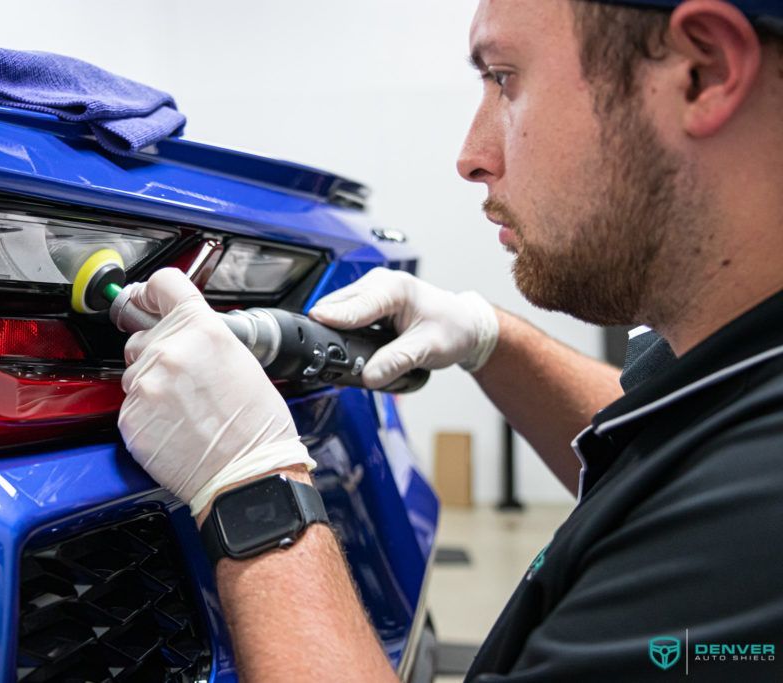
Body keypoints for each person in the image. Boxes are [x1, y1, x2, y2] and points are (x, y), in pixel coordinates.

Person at [116, 0, 783, 680]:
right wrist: (489, 340)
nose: (471, 157)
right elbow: (667, 455)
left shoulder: (755, 522)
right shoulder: (743, 378)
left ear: (702, 72)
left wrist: (251, 487)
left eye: (504, 77)